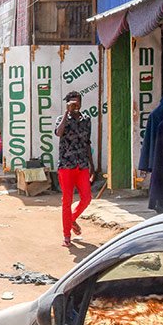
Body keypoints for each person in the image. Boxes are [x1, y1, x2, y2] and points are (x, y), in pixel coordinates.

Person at [55, 91, 93, 248]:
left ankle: (70, 220)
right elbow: (59, 132)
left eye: (77, 103)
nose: (75, 105)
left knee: (86, 198)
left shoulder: (87, 120)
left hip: (82, 164)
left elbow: (87, 142)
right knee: (67, 200)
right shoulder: (61, 119)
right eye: (71, 103)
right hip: (66, 165)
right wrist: (66, 113)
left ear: (81, 103)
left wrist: (92, 164)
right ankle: (66, 235)